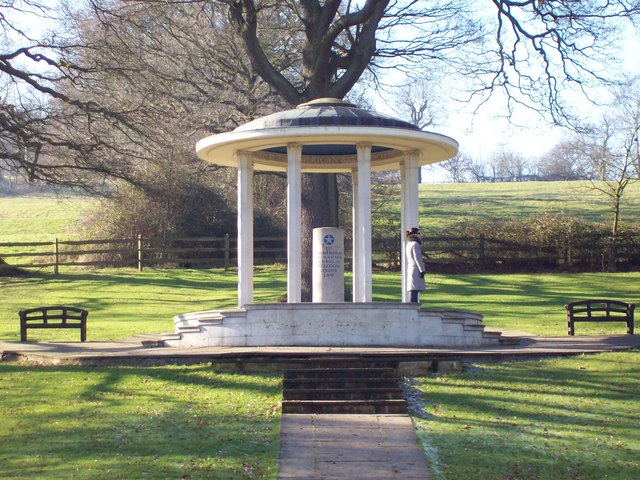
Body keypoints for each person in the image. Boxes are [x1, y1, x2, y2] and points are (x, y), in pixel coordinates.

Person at [405, 227, 426, 303]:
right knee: (415, 290)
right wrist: (422, 270)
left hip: (411, 268)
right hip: (416, 268)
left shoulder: (409, 244)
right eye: (419, 233)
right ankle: (414, 308)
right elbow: (417, 258)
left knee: (413, 289)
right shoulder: (415, 244)